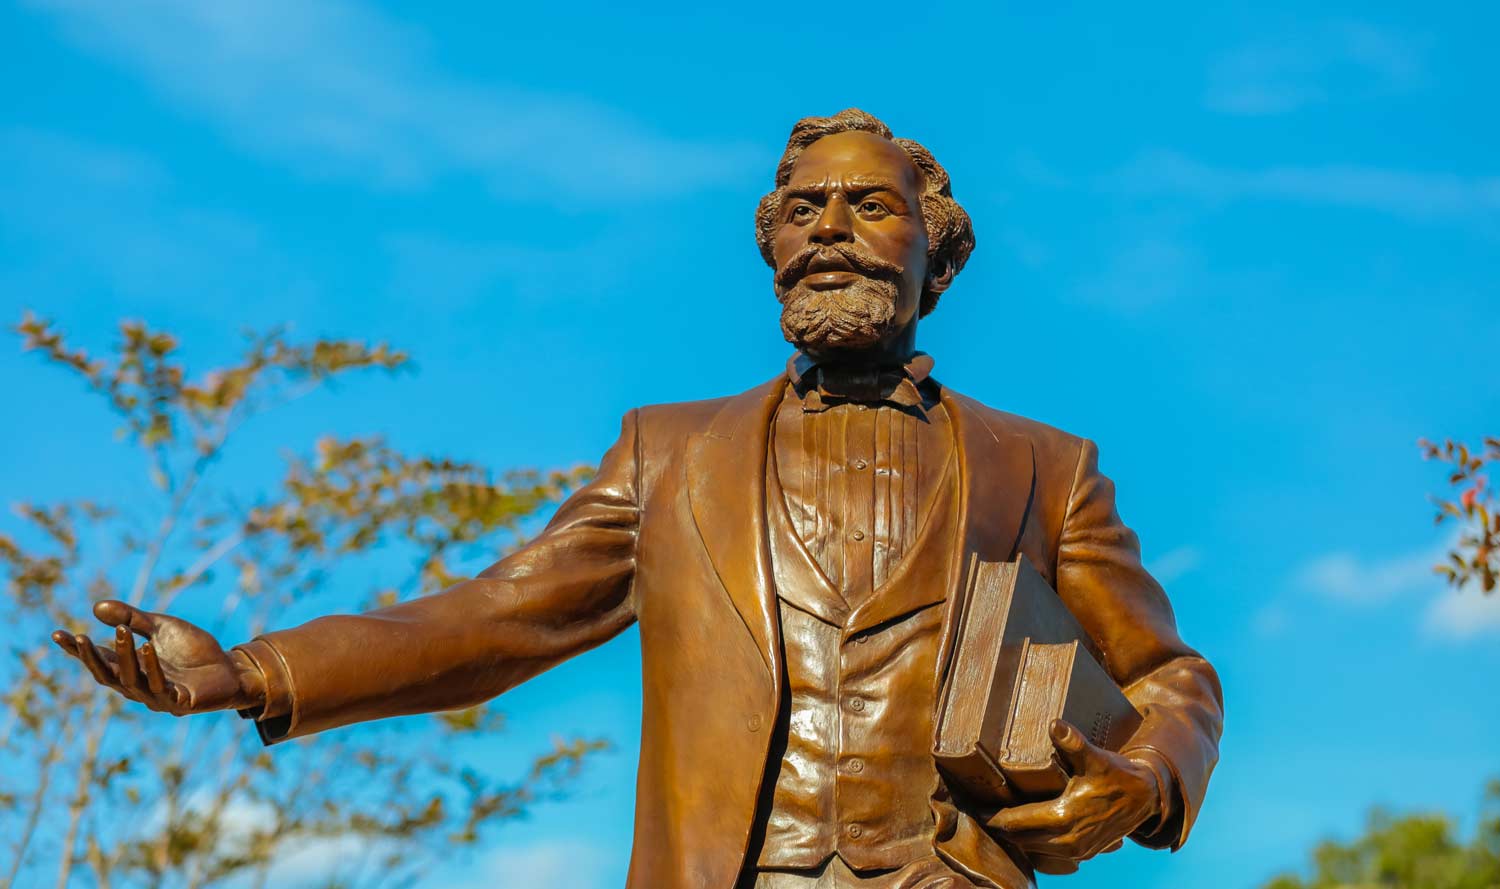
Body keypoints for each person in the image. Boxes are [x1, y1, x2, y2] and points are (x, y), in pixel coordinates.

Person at [54, 109, 1224, 889]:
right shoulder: (671, 455)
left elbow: (1173, 679)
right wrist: (251, 670)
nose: (831, 229)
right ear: (772, 250)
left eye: (871, 208)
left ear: (940, 257)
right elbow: (496, 616)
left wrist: (1152, 772)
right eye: (803, 210)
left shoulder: (1046, 465)